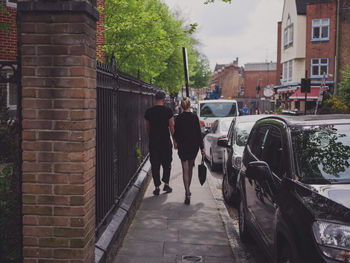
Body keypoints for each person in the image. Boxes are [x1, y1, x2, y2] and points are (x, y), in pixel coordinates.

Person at [173, 97, 205, 205]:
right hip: (193, 146)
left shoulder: (179, 118)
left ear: (181, 106)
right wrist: (202, 148)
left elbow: (175, 133)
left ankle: (187, 192)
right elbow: (198, 134)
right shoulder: (194, 117)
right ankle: (188, 189)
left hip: (183, 146)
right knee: (190, 169)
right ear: (189, 105)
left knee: (184, 169)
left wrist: (176, 141)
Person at [144, 90, 175, 196]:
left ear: (155, 99)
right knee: (167, 163)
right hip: (165, 141)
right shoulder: (168, 111)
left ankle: (157, 187)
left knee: (155, 164)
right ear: (164, 99)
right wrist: (174, 140)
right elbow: (171, 126)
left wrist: (151, 136)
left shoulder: (149, 111)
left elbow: (147, 127)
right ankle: (166, 184)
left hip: (154, 142)